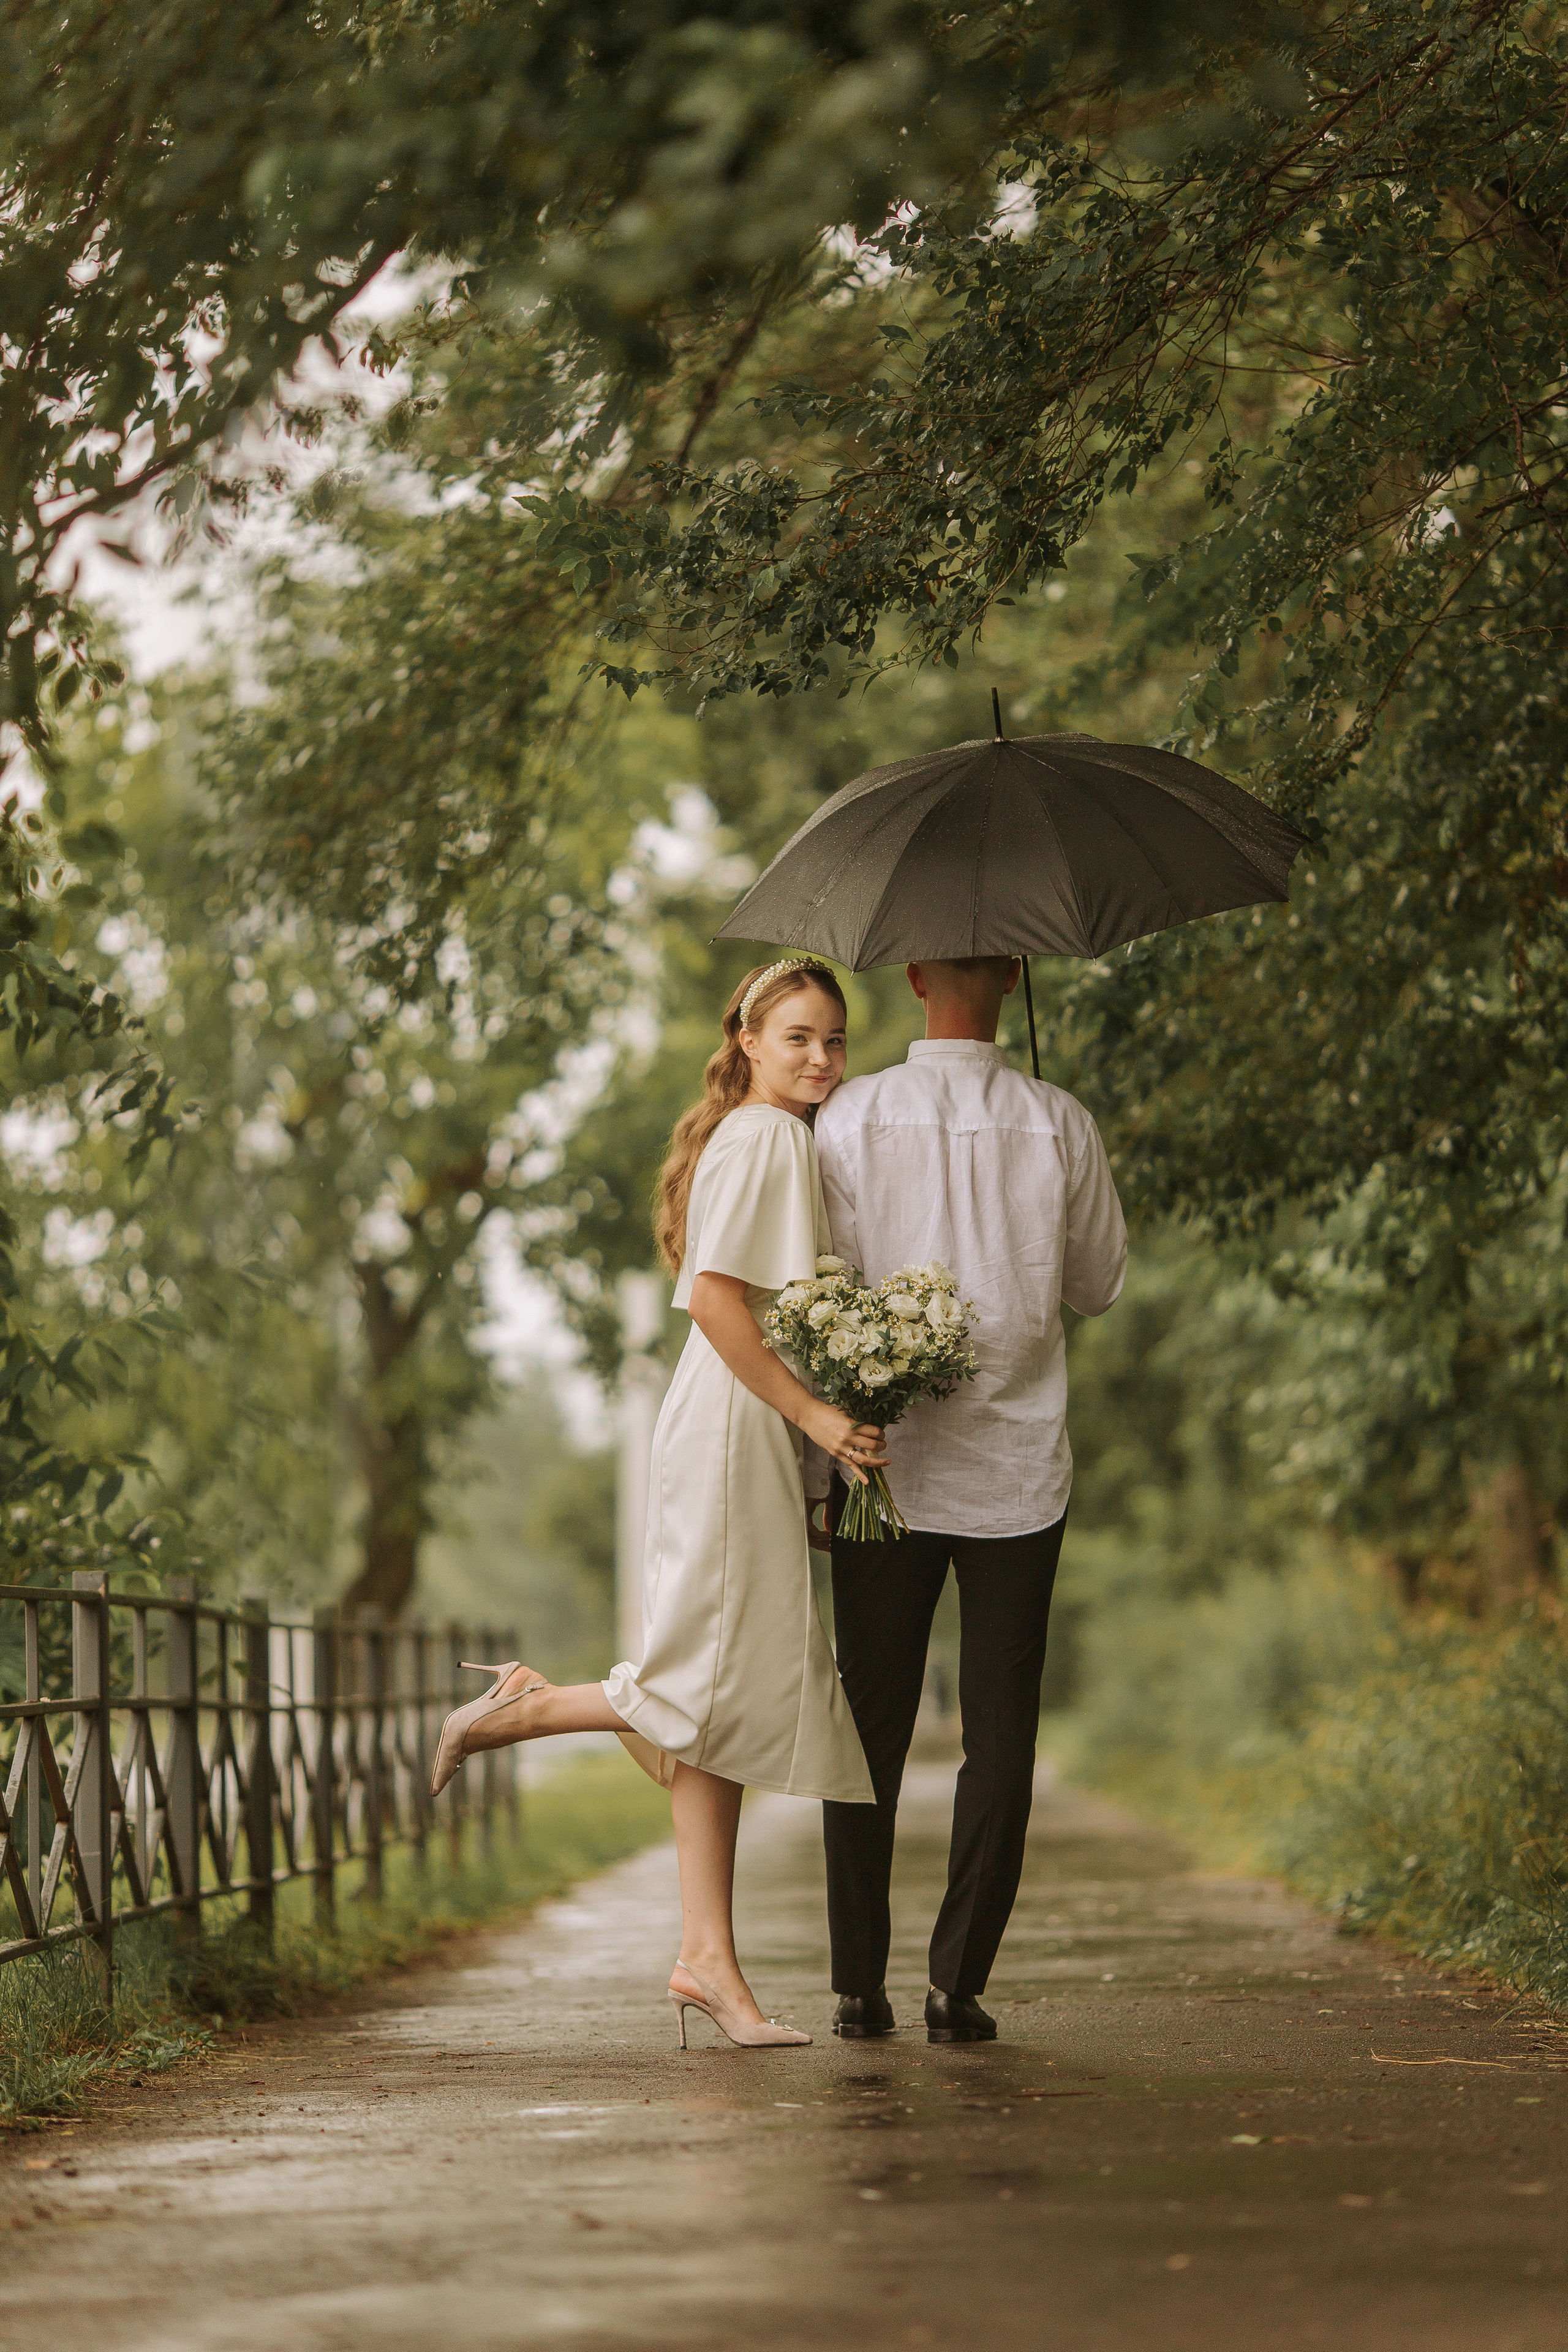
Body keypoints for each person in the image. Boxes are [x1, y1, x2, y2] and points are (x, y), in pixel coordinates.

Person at [431, 958, 884, 2049]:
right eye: (799, 1039)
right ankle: (526, 1712)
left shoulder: (763, 1134)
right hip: (734, 1429)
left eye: (835, 1039)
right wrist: (822, 1423)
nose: (821, 1058)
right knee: (703, 1684)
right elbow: (720, 1305)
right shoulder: (768, 1138)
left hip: (741, 1429)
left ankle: (706, 1961)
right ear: (748, 1041)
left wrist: (811, 1448)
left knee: (715, 1706)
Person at [811, 955, 1126, 2045]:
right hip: (1018, 1474)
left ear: (909, 973)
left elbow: (825, 1287)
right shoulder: (1060, 1121)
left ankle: (858, 1986)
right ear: (1016, 971)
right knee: (1001, 1737)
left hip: (879, 1465)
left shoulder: (850, 1116)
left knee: (869, 1727)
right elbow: (1097, 1282)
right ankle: (959, 1987)